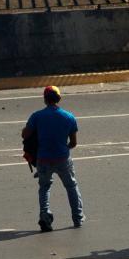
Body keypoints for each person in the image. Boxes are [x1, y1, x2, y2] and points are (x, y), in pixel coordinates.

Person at [22, 86, 84, 232]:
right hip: (63, 158)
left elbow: (25, 135)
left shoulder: (36, 116)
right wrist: (63, 148)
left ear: (45, 99)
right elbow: (74, 143)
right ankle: (78, 218)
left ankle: (45, 215)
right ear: (59, 99)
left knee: (44, 188)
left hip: (43, 159)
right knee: (71, 187)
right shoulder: (69, 117)